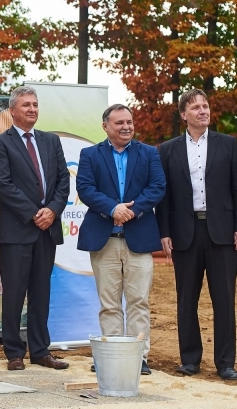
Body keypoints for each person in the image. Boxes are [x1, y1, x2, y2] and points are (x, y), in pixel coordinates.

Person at [156, 89, 237, 381]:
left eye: (205, 106)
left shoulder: (228, 145)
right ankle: (190, 359)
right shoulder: (167, 150)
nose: (202, 111)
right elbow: (165, 196)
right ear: (184, 114)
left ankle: (225, 362)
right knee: (187, 300)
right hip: (185, 233)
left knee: (224, 299)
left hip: (222, 233)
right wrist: (165, 232)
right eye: (195, 107)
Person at [76, 104, 166, 375]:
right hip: (105, 240)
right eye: (119, 123)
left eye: (129, 121)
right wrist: (112, 209)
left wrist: (131, 210)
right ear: (106, 126)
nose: (126, 126)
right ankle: (112, 355)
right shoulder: (90, 154)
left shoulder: (149, 153)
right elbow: (85, 188)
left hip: (139, 239)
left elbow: (158, 187)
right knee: (110, 303)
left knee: (139, 301)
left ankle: (138, 358)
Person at [0, 85, 71, 372]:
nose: (32, 109)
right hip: (16, 231)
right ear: (12, 111)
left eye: (35, 104)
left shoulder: (50, 141)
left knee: (41, 292)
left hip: (47, 230)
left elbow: (63, 180)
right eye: (26, 105)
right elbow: (3, 185)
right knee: (13, 294)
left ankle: (40, 350)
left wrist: (53, 210)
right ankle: (14, 352)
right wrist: (34, 213)